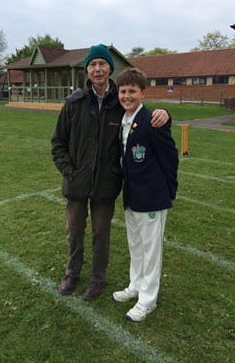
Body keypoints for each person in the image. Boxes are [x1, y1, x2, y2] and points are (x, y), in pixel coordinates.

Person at [51, 44, 169, 301]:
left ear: (110, 68)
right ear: (87, 70)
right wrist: (68, 170)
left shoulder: (120, 102)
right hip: (76, 183)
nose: (97, 69)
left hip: (106, 183)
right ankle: (72, 274)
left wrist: (165, 113)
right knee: (74, 232)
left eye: (102, 64)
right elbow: (58, 142)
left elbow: (143, 116)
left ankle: (97, 279)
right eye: (93, 65)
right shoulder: (74, 103)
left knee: (100, 235)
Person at [112, 67, 178, 321]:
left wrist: (171, 190)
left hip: (151, 197)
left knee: (151, 251)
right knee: (136, 246)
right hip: (131, 197)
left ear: (143, 93)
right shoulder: (124, 120)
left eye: (132, 91)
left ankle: (147, 300)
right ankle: (136, 286)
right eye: (123, 91)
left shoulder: (153, 120)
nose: (127, 96)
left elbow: (170, 158)